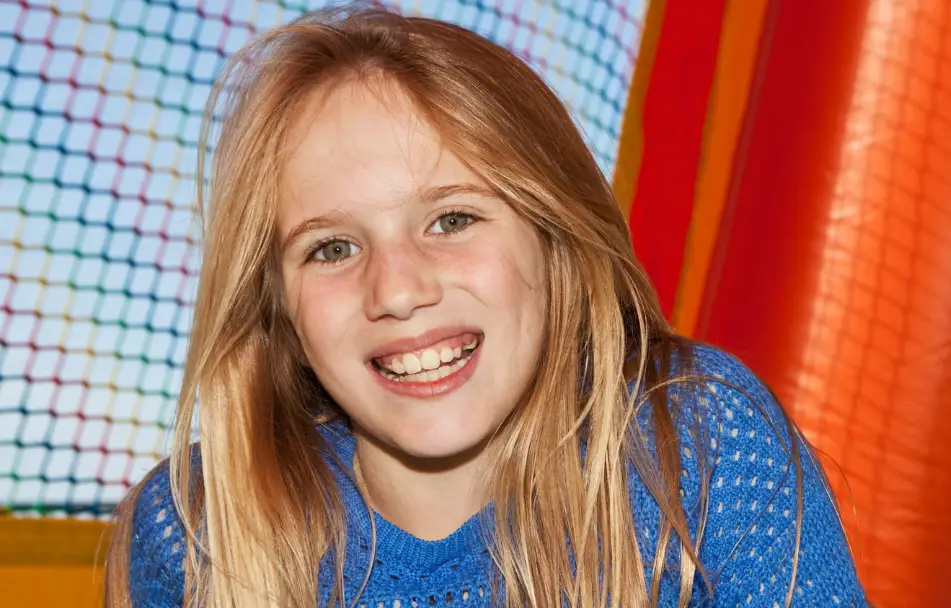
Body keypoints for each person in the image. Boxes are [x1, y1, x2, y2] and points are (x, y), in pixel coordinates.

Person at [104, 4, 868, 607]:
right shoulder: (199, 530)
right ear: (280, 316)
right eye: (332, 248)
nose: (399, 289)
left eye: (452, 219)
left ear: (555, 238)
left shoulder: (693, 449)